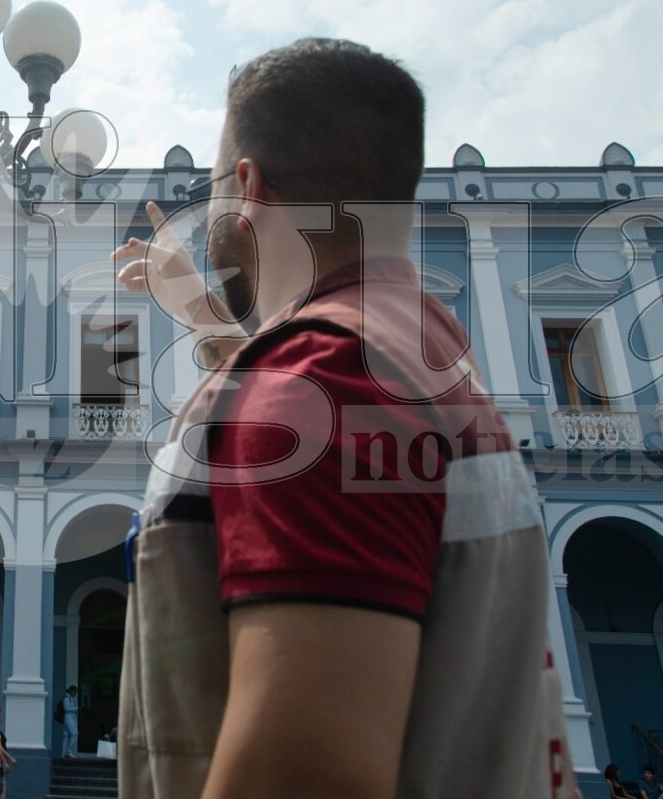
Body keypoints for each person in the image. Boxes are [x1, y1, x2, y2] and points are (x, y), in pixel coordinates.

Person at [112, 39, 577, 798]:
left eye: (214, 192)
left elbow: (304, 776)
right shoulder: (420, 347)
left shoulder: (318, 386)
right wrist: (203, 312)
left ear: (247, 187)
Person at [60, 685, 80, 758]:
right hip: (68, 718)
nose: (75, 694)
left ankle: (63, 754)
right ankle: (68, 750)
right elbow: (67, 708)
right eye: (75, 692)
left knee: (66, 736)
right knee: (75, 734)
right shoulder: (67, 698)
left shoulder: (69, 698)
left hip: (68, 719)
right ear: (71, 691)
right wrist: (76, 708)